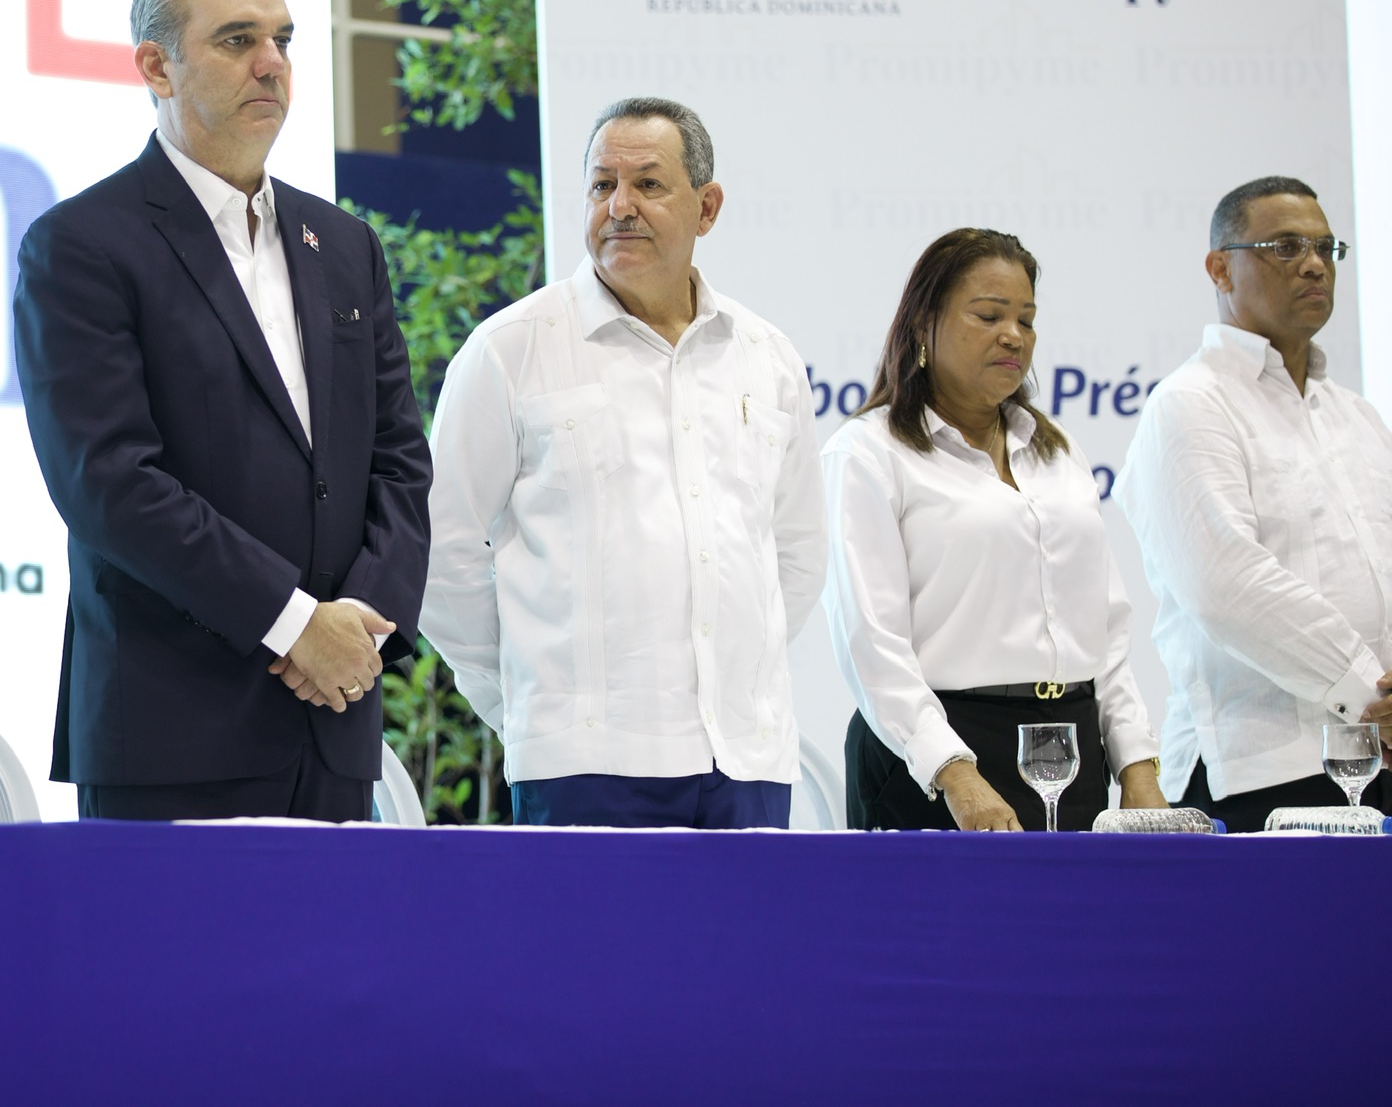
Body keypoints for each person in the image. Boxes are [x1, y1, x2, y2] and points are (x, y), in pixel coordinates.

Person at [13, 0, 431, 822]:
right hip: (171, 734)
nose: (271, 63)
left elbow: (399, 460)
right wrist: (294, 623)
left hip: (334, 715)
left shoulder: (344, 245)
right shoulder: (83, 246)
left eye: (282, 39)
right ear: (155, 67)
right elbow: (109, 484)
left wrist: (358, 623)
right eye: (238, 40)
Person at [421, 97, 820, 829]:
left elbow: (794, 555)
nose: (620, 207)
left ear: (707, 207)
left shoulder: (767, 358)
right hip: (581, 766)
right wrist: (530, 700)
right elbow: (440, 551)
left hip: (747, 764)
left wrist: (734, 681)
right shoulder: (511, 349)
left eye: (648, 184)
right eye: (602, 185)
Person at [822, 229, 1166, 832]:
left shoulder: (1057, 451)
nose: (1014, 335)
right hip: (932, 759)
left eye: (1026, 320)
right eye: (988, 316)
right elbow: (871, 644)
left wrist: (1137, 764)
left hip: (1069, 747)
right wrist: (954, 772)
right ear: (924, 323)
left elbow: (1105, 628)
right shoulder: (869, 452)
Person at [1119, 176, 1392, 831]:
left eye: (1327, 248)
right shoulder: (1190, 403)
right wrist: (1369, 695)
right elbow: (1226, 586)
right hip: (1265, 769)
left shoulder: (1356, 415)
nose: (1314, 264)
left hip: (1379, 755)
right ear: (1220, 269)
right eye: (1285, 246)